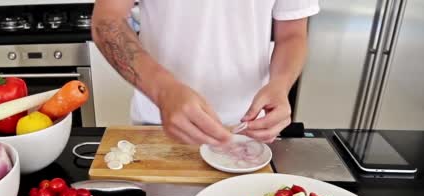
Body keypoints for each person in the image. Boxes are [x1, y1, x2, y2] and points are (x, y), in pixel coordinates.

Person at [91, 0, 319, 145]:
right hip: (159, 126)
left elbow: (292, 33)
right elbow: (107, 20)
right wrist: (164, 92)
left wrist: (280, 85)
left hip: (249, 132)